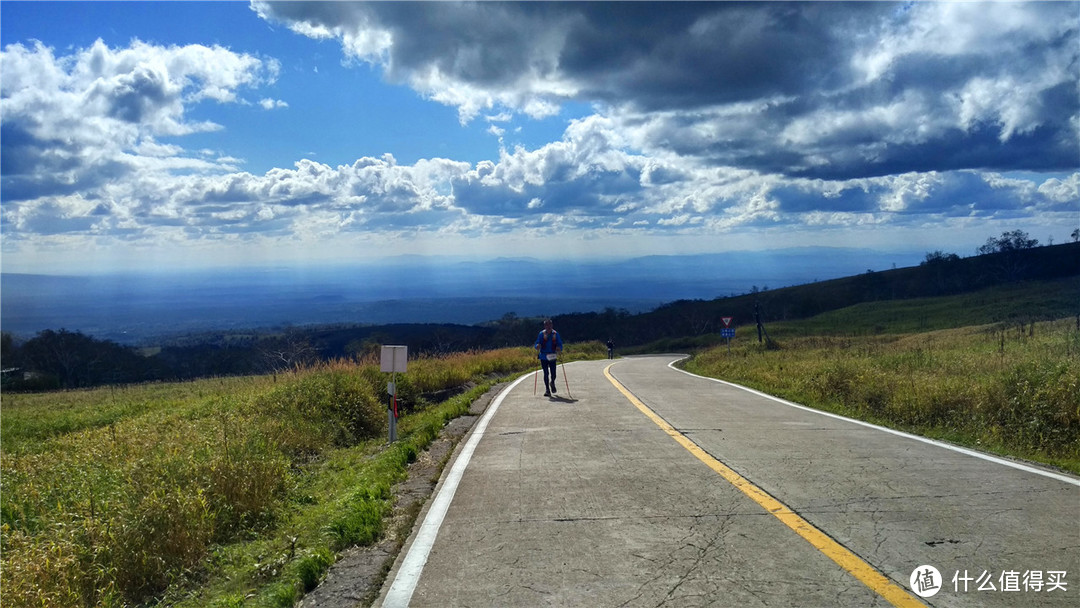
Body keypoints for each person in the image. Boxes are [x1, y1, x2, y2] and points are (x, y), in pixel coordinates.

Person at [534, 319, 563, 397]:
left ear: (552, 325)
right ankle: (547, 389)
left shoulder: (555, 334)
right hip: (543, 356)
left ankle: (552, 382)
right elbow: (536, 343)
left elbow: (560, 344)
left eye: (549, 325)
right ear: (544, 326)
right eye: (547, 325)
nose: (548, 326)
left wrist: (559, 348)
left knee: (553, 373)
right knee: (545, 373)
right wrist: (537, 346)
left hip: (552, 355)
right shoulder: (541, 334)